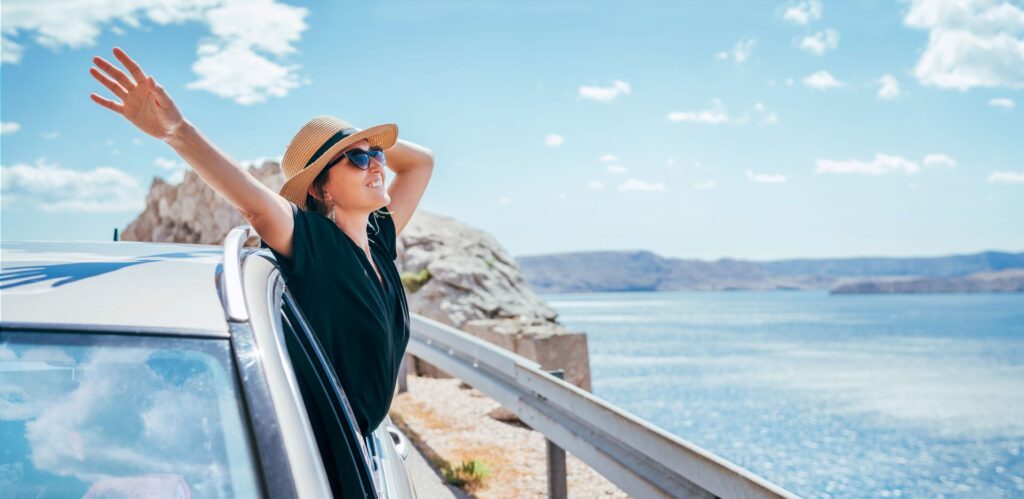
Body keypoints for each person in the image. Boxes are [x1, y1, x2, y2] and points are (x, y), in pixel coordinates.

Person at [89, 46, 433, 495]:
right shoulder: (314, 244)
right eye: (358, 161)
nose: (376, 166)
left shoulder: (379, 238)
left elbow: (422, 161)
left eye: (377, 156)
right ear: (322, 188)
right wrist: (177, 132)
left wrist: (359, 141)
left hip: (363, 450)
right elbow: (254, 204)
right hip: (326, 462)